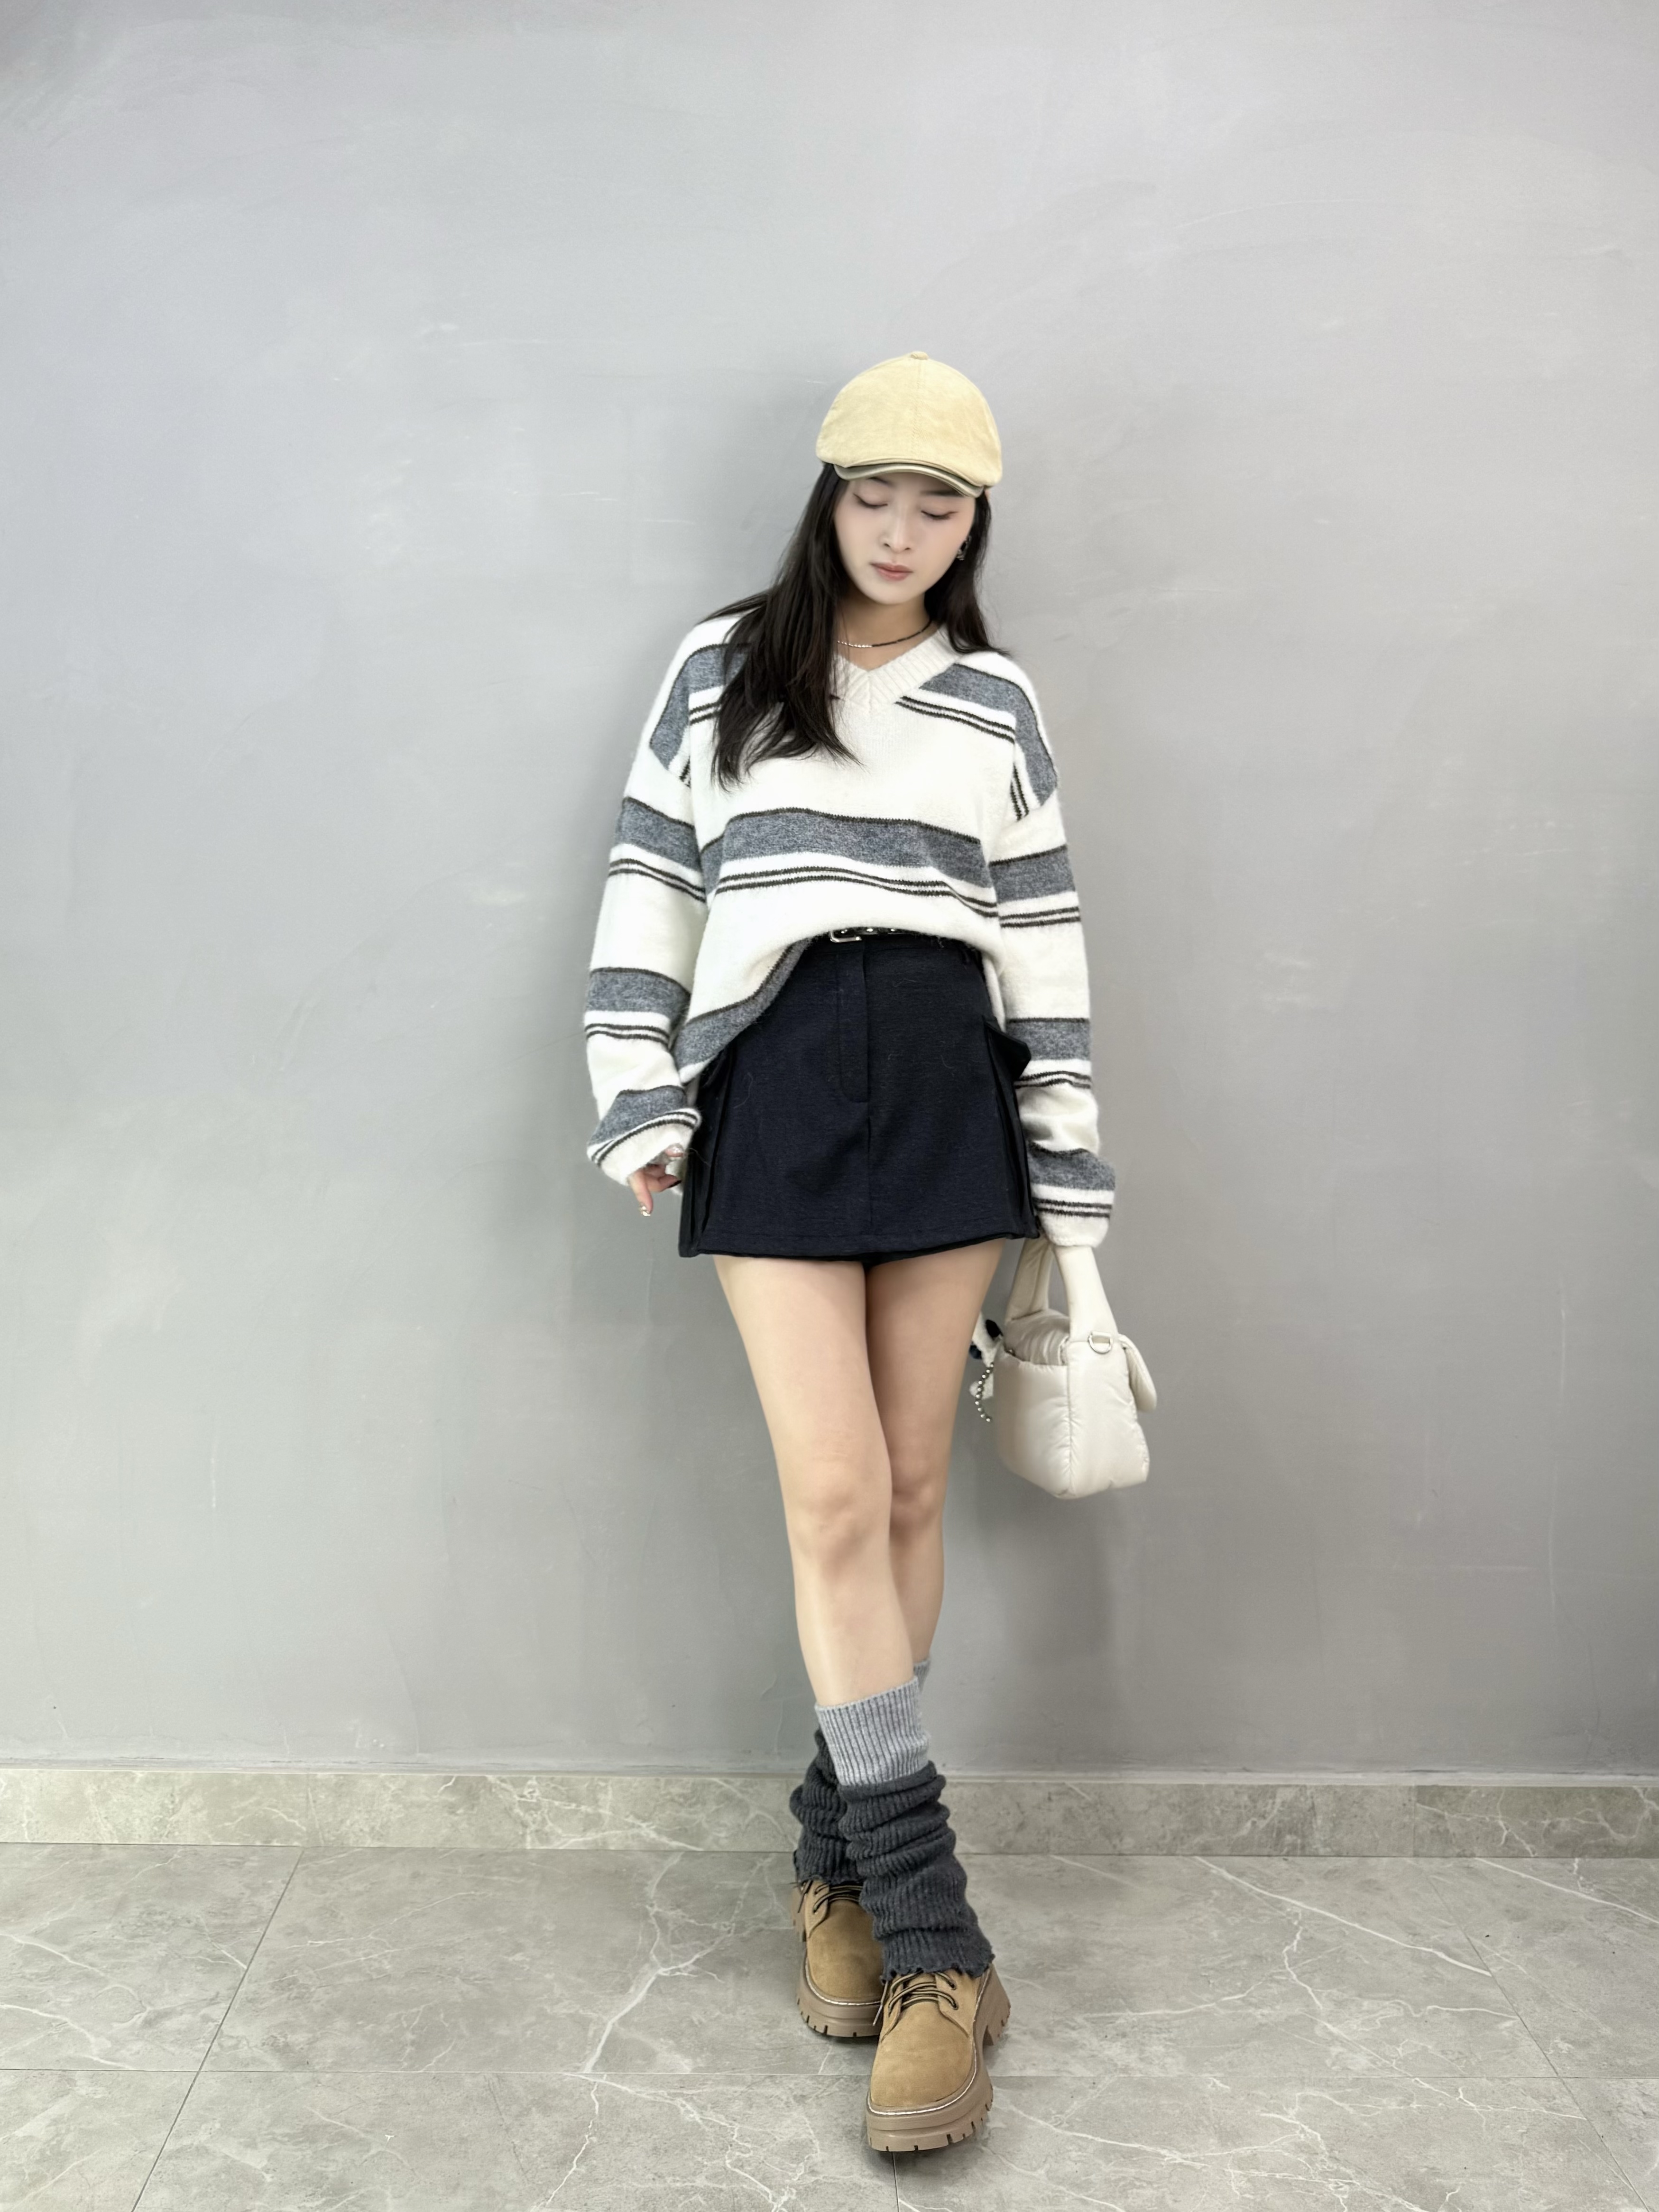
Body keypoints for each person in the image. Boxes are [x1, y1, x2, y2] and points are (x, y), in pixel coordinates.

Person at [581, 351, 1114, 2156]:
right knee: (827, 1492)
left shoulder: (996, 698)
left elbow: (1040, 930)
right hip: (779, 1075)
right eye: (871, 494)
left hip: (952, 1083)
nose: (899, 529)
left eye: (935, 503)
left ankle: (834, 1865)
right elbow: (653, 875)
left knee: (902, 1488)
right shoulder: (723, 663)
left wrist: (1068, 1159)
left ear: (973, 524)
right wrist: (635, 1092)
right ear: (827, 498)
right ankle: (936, 1937)